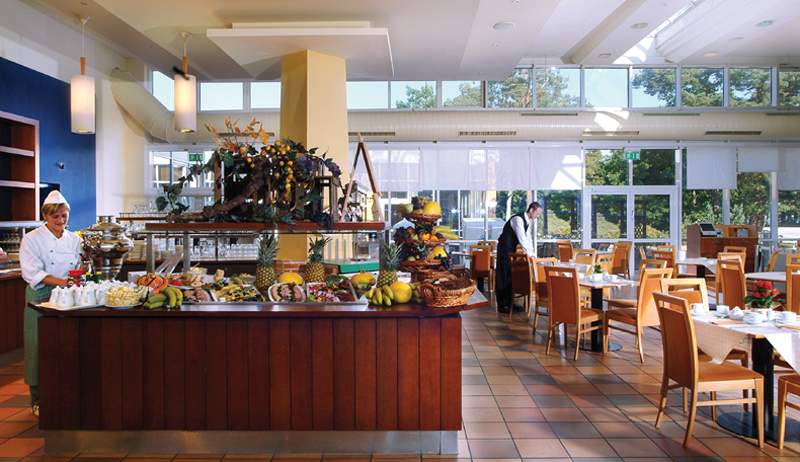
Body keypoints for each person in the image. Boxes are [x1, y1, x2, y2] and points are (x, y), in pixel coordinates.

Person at [19, 190, 82, 417]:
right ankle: (37, 398)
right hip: (41, 295)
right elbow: (32, 272)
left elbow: (79, 266)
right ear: (45, 215)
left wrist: (81, 274)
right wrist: (62, 281)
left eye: (64, 216)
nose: (61, 220)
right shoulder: (32, 239)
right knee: (37, 345)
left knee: (67, 344)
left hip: (69, 295)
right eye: (56, 216)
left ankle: (65, 394)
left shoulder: (74, 239)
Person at [494, 202, 543, 313]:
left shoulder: (527, 221)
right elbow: (522, 239)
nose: (538, 216)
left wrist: (533, 255)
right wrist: (530, 256)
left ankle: (510, 303)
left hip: (511, 249)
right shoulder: (518, 219)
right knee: (503, 275)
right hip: (504, 248)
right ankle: (502, 305)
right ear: (531, 210)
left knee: (511, 275)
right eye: (537, 213)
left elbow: (528, 239)